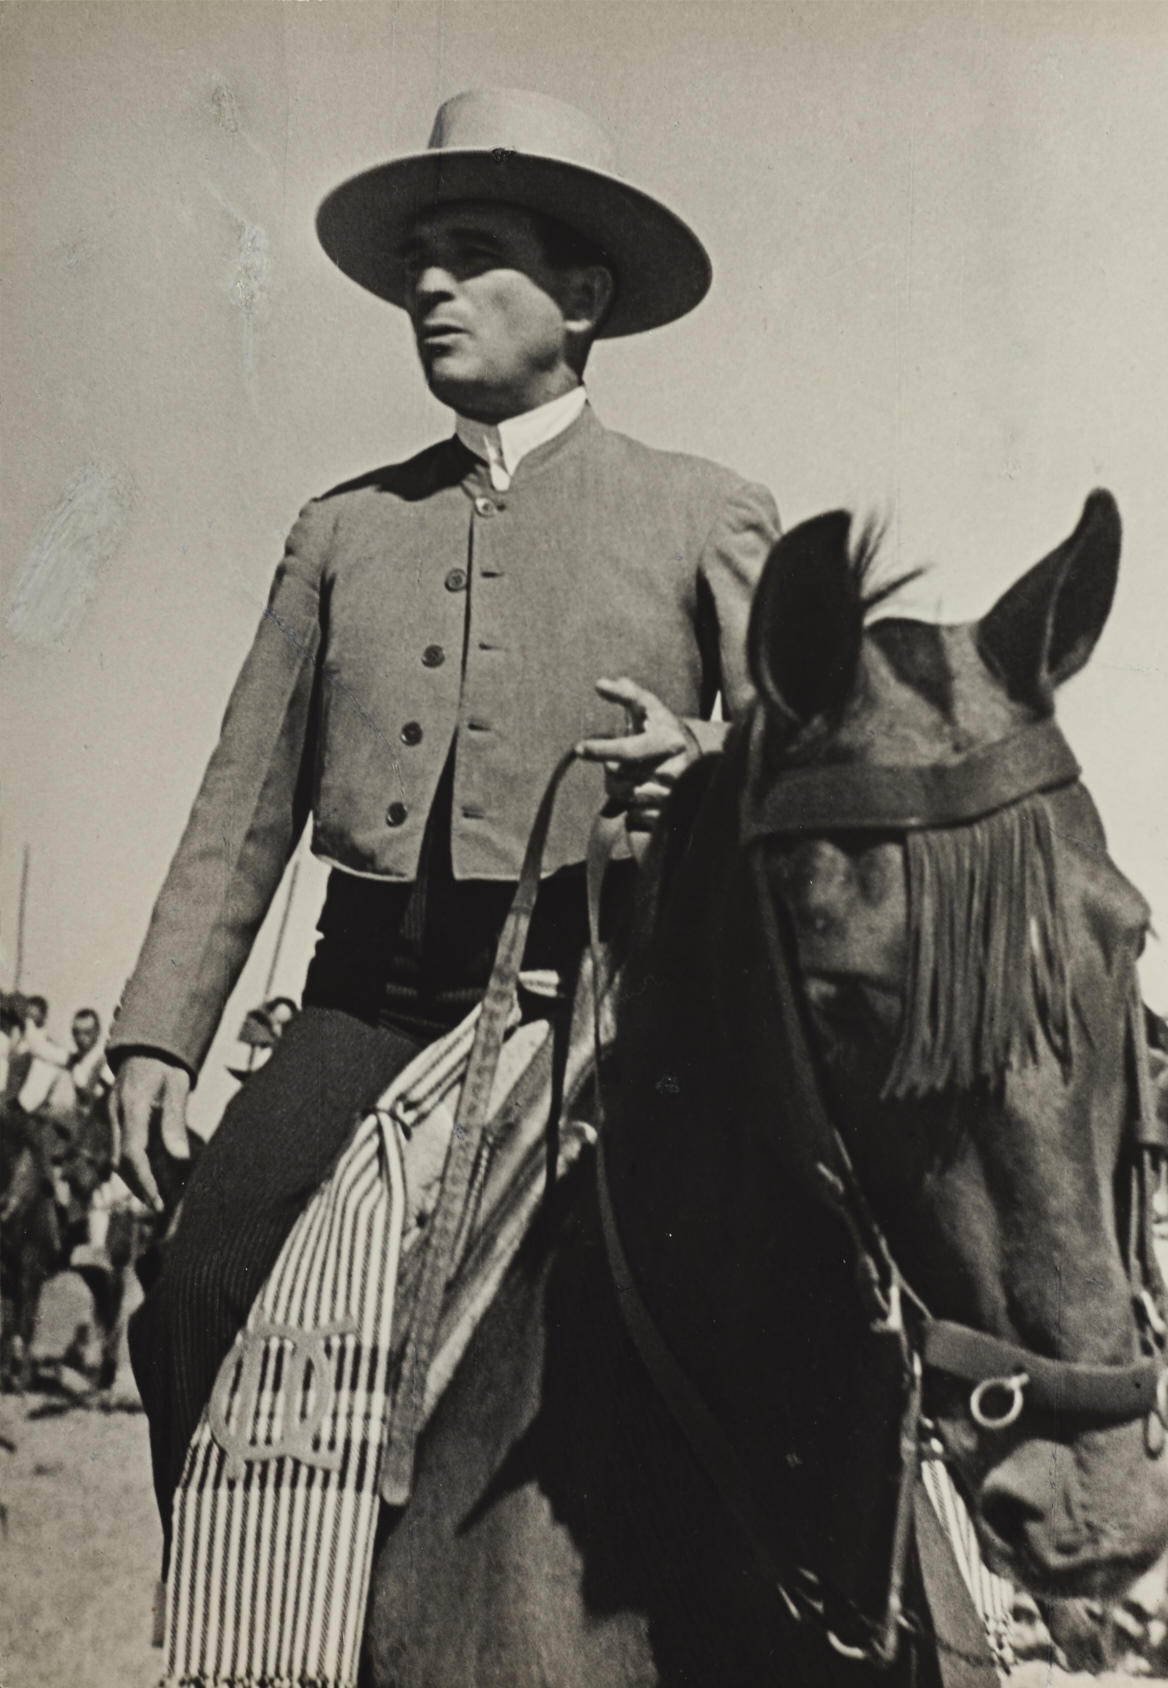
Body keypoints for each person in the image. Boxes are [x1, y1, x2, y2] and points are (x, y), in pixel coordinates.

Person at [108, 87, 780, 1530]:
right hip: (365, 999)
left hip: (612, 1000)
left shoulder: (704, 510)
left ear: (583, 296)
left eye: (475, 254)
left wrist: (716, 763)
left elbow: (815, 765)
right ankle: (246, 1637)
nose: (429, 287)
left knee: (762, 1308)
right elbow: (242, 805)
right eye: (420, 261)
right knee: (194, 1288)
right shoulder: (342, 529)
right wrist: (160, 1033)